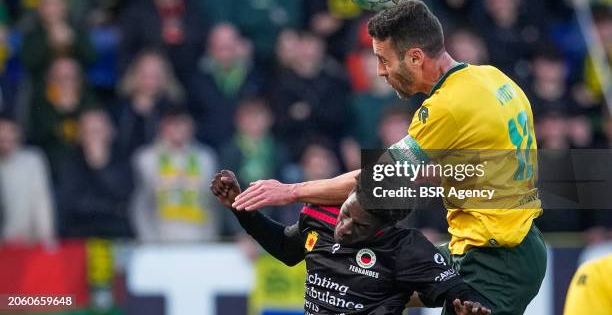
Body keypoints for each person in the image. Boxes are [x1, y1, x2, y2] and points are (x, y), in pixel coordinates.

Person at [233, 0, 547, 315]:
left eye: (384, 60)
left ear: (415, 57)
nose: (381, 71)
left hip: (497, 262)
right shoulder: (491, 77)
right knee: (367, 283)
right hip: (501, 244)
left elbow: (373, 180)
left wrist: (290, 192)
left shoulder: (448, 107)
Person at [212, 170, 491, 315]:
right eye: (346, 215)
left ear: (384, 227)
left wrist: (468, 309)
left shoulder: (407, 248)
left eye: (360, 227)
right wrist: (240, 208)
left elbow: (460, 294)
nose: (344, 228)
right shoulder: (318, 214)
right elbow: (286, 249)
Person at [130, 104, 218, 242]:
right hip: (159, 243)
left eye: (182, 122)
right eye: (172, 122)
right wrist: (148, 241)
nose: (177, 128)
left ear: (191, 125)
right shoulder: (146, 158)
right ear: (161, 126)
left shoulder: (206, 158)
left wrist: (210, 239)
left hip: (199, 242)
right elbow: (141, 203)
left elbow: (212, 204)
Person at [57, 109, 133, 238]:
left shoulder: (123, 158)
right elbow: (69, 202)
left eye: (97, 131)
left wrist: (100, 166)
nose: (93, 137)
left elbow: (124, 193)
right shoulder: (70, 161)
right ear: (80, 136)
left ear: (110, 132)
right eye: (88, 132)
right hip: (80, 231)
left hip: (116, 231)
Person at [0, 114, 55, 246]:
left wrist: (47, 240)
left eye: (10, 132)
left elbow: (42, 202)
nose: (5, 137)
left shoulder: (32, 160)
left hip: (28, 244)